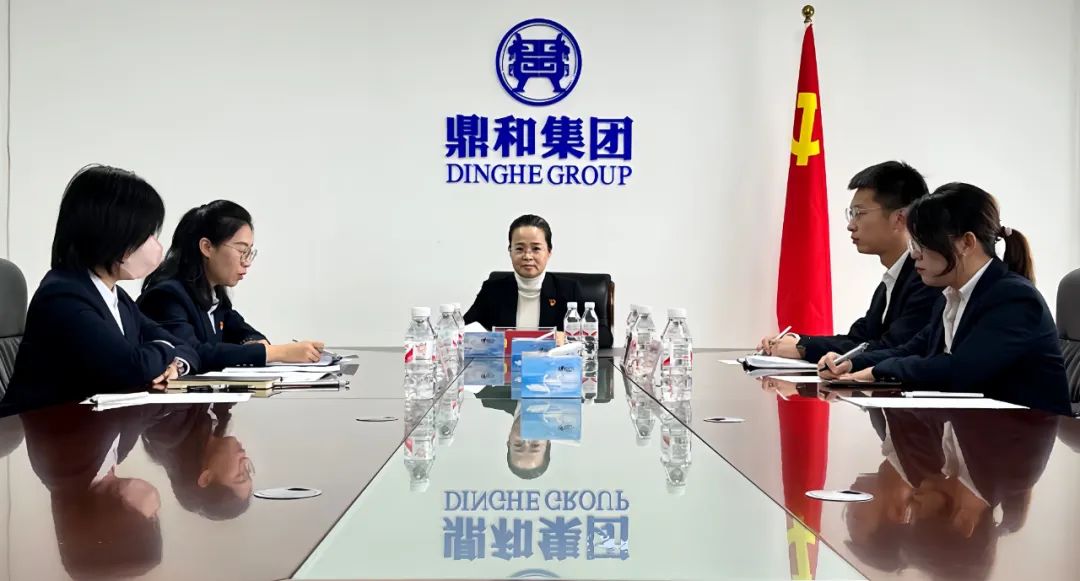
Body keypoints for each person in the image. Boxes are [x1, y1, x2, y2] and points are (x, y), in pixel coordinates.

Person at [820, 183, 1071, 415]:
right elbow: (911, 349)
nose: (914, 255)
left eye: (922, 244)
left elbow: (960, 368)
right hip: (972, 430)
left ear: (966, 243)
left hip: (1020, 434)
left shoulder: (1013, 298)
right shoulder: (950, 296)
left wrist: (877, 371)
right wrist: (851, 362)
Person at [4, 165, 199, 410]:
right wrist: (167, 349)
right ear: (113, 234)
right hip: (41, 428)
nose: (154, 244)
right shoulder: (63, 296)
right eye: (146, 233)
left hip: (96, 425)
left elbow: (186, 348)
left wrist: (176, 364)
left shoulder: (117, 298)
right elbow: (131, 368)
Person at [758, 161, 939, 361]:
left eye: (859, 213)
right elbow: (859, 339)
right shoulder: (893, 278)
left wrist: (803, 348)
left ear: (900, 218)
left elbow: (893, 348)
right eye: (851, 214)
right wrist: (798, 341)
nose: (851, 225)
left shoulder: (926, 278)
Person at [138, 201, 323, 371]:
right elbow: (191, 353)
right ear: (207, 247)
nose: (246, 262)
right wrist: (278, 352)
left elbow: (241, 330)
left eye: (249, 252)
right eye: (242, 251)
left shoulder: (213, 295)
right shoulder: (166, 296)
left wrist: (255, 342)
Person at [464, 214, 613, 348]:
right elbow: (462, 329)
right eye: (519, 249)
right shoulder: (493, 290)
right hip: (505, 367)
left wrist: (568, 338)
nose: (527, 256)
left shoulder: (568, 290)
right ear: (510, 251)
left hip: (553, 367)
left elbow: (605, 336)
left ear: (549, 252)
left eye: (536, 249)